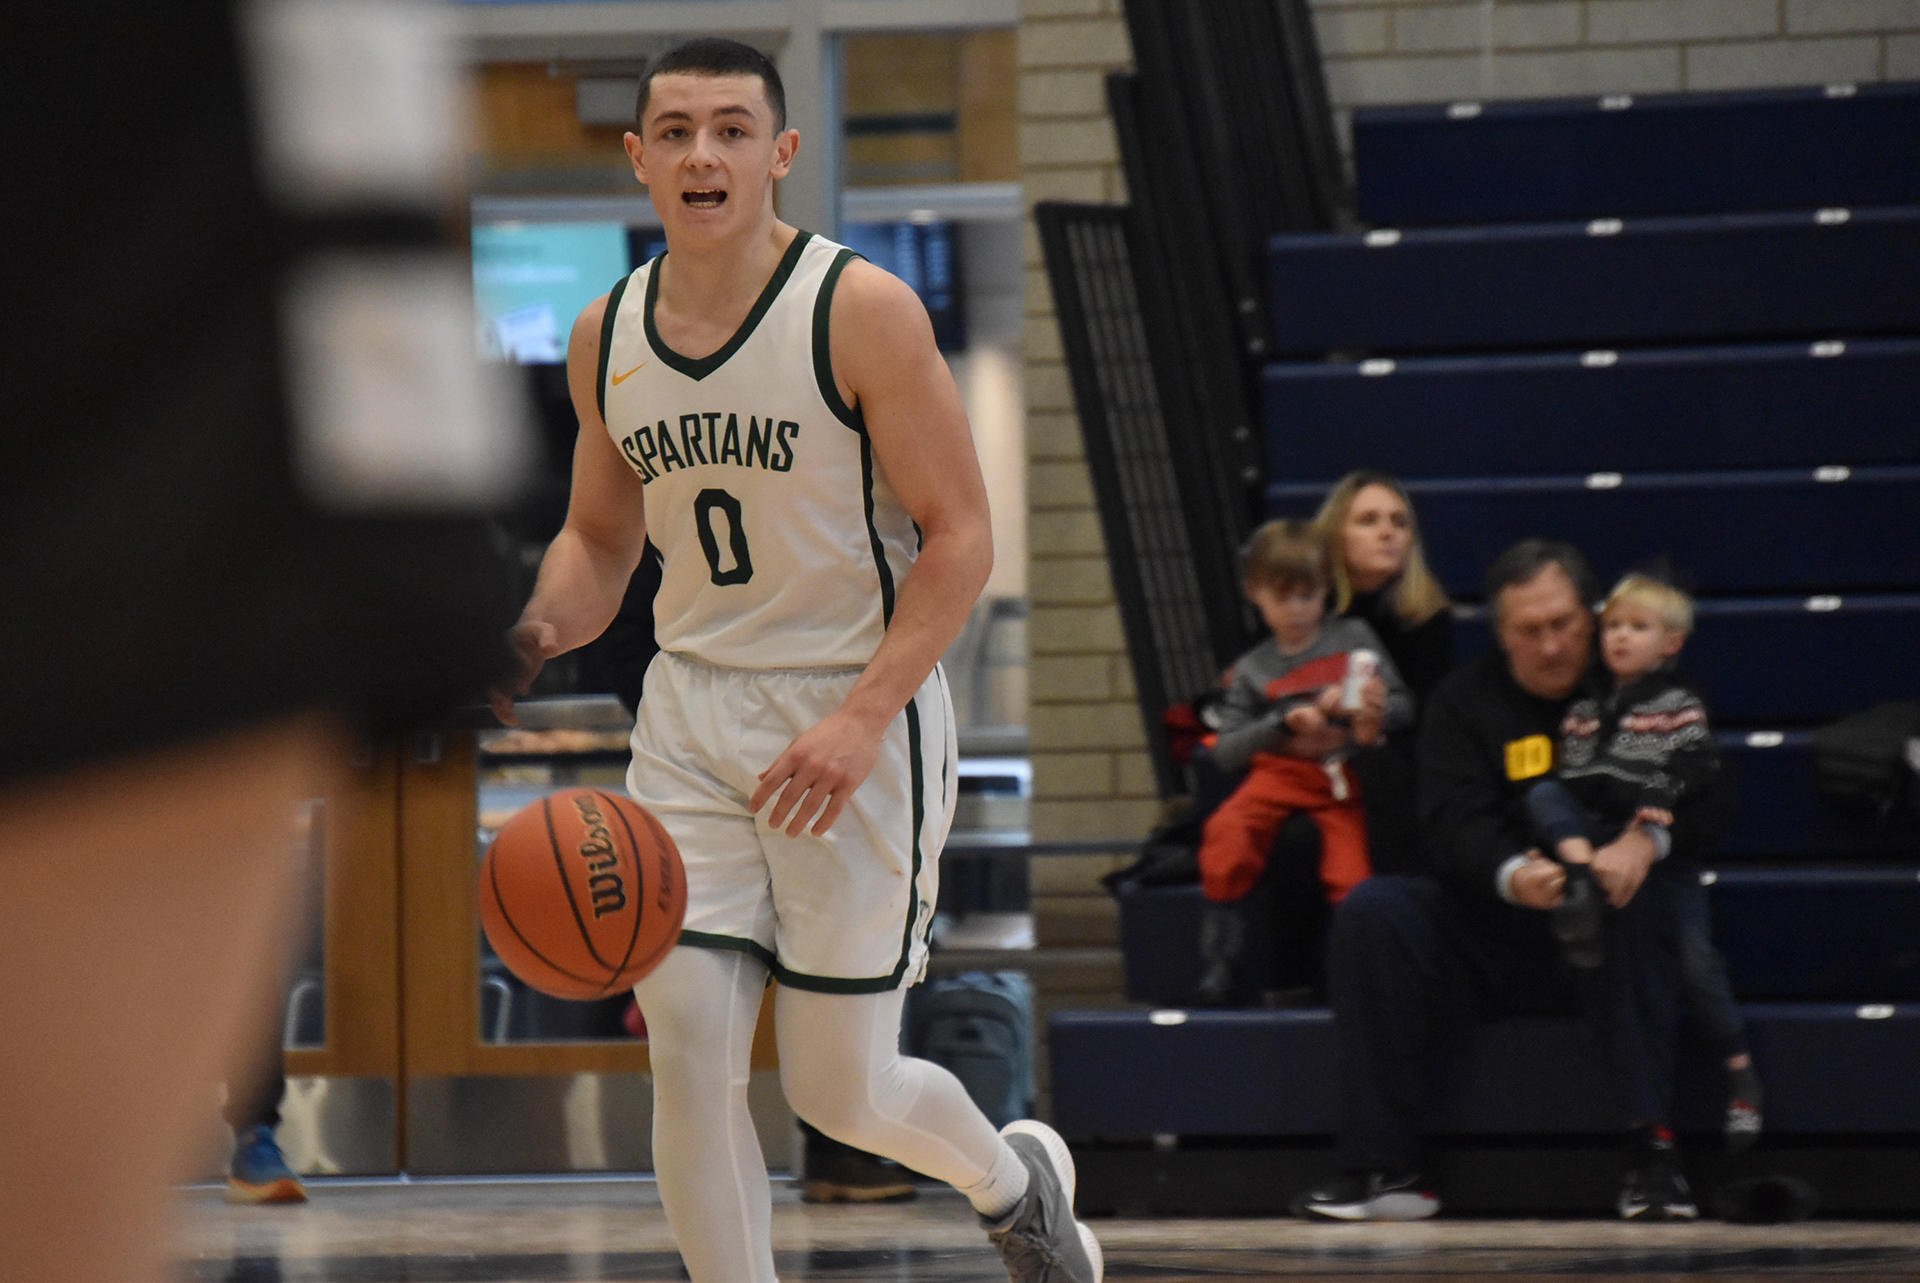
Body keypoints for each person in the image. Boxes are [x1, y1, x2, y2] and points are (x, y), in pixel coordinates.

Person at [491, 39, 1100, 1283]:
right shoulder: (607, 331)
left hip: (850, 704)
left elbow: (961, 536)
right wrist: (536, 629)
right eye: (674, 131)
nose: (701, 153)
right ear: (638, 157)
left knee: (840, 1087)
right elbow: (600, 539)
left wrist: (864, 716)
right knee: (688, 1051)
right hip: (689, 712)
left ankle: (1013, 1182)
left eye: (730, 128)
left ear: (781, 152)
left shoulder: (860, 309)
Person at [1297, 540, 1722, 1224]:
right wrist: (1515, 873)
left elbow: (1709, 796)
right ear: (1500, 633)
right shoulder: (1463, 701)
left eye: (1564, 625)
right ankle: (1384, 1169)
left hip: (1611, 922)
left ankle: (1653, 1160)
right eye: (1530, 630)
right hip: (1494, 926)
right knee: (1376, 910)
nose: (1551, 646)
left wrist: (1643, 842)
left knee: (1646, 900)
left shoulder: (1645, 693)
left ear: (1592, 616)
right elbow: (1451, 823)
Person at [1525, 573, 1761, 1151]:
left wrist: (1653, 799)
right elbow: (1574, 780)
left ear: (1671, 642)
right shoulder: (1584, 708)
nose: (1621, 637)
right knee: (1543, 792)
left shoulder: (1678, 704)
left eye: (1638, 627)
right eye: (1612, 627)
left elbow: (1696, 765)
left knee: (1696, 966)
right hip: (1599, 839)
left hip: (1660, 853)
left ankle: (1740, 1073)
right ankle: (1583, 879)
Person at [1194, 522, 1409, 999]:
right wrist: (1282, 723)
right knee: (1226, 835)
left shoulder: (1354, 638)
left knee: (1351, 875)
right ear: (1254, 593)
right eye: (1282, 597)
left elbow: (1403, 707)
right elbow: (1226, 751)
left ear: (1326, 588)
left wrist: (1365, 707)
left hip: (1339, 778)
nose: (1295, 609)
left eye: (1306, 596)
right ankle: (1221, 959)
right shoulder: (1251, 669)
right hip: (1277, 776)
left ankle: (1355, 973)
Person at [1314, 471, 1455, 709]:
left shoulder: (1427, 616)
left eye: (1399, 522)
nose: (1387, 533)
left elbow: (1432, 715)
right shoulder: (1305, 609)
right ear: (1335, 535)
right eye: (1368, 520)